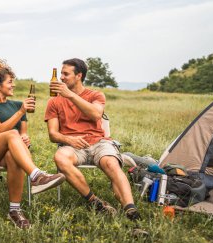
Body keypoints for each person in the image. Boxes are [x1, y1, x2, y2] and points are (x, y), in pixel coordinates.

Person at [45, 58, 146, 232]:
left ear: (79, 76)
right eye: (60, 73)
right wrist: (69, 140)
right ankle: (95, 202)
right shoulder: (54, 102)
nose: (61, 77)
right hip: (73, 146)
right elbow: (53, 134)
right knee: (60, 157)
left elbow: (96, 114)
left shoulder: (95, 95)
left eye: (65, 74)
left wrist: (70, 95)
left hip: (99, 142)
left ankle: (130, 209)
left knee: (111, 163)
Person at [0, 57, 66, 229]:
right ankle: (37, 176)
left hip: (10, 148)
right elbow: (0, 130)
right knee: (11, 134)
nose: (13, 85)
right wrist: (21, 112)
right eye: (10, 82)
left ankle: (14, 211)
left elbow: (23, 134)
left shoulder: (17, 104)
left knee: (14, 155)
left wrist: (25, 139)